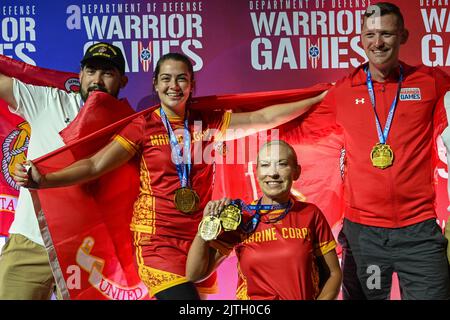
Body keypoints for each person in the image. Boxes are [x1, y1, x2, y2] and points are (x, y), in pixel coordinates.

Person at [13, 52, 327, 300]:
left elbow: (263, 117)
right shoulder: (143, 127)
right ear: (155, 84)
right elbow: (95, 166)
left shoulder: (207, 122)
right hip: (156, 242)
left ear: (192, 85)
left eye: (181, 79)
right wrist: (45, 180)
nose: (173, 86)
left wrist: (316, 100)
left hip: (202, 239)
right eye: (166, 79)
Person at [319, 2, 450, 299]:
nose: (378, 43)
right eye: (370, 35)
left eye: (386, 34)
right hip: (366, 237)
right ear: (361, 39)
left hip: (419, 235)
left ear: (403, 36)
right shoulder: (343, 91)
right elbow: (292, 118)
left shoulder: (431, 82)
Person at [0, 42, 129, 299]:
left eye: (107, 73)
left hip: (89, 252)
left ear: (122, 81)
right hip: (31, 241)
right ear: (80, 74)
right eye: (91, 71)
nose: (97, 80)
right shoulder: (48, 101)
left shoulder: (129, 123)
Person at [186, 140, 342, 300]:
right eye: (265, 165)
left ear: (296, 172)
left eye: (282, 164)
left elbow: (333, 273)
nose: (273, 173)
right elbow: (194, 274)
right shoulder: (241, 217)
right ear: (257, 171)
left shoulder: (310, 214)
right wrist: (206, 225)